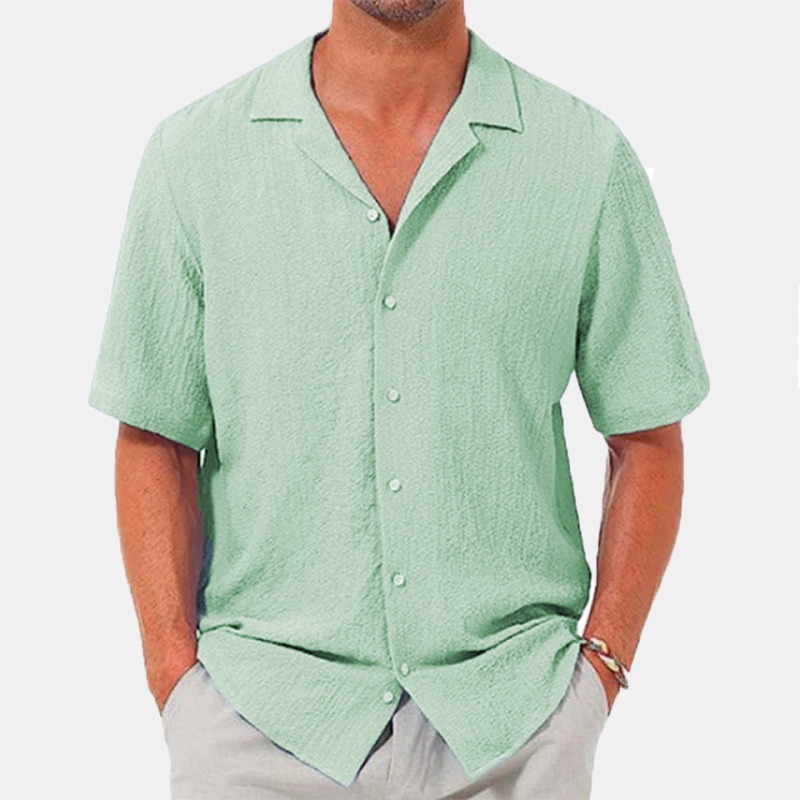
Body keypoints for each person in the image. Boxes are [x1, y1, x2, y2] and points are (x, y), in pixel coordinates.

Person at [87, 1, 710, 798]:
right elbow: (156, 435)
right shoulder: (195, 157)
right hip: (257, 724)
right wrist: (176, 683)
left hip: (513, 727)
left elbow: (647, 434)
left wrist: (599, 675)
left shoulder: (584, 158)